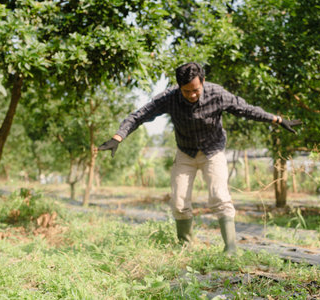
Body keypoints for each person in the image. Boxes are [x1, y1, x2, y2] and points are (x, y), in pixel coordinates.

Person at [98, 62, 302, 253]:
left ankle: (231, 249)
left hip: (213, 151)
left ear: (203, 82)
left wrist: (277, 119)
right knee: (178, 202)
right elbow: (139, 115)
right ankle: (185, 247)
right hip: (185, 153)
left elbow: (246, 109)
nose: (193, 95)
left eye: (196, 89)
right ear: (179, 87)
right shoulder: (169, 97)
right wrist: (118, 137)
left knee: (219, 196)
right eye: (187, 91)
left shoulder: (217, 94)